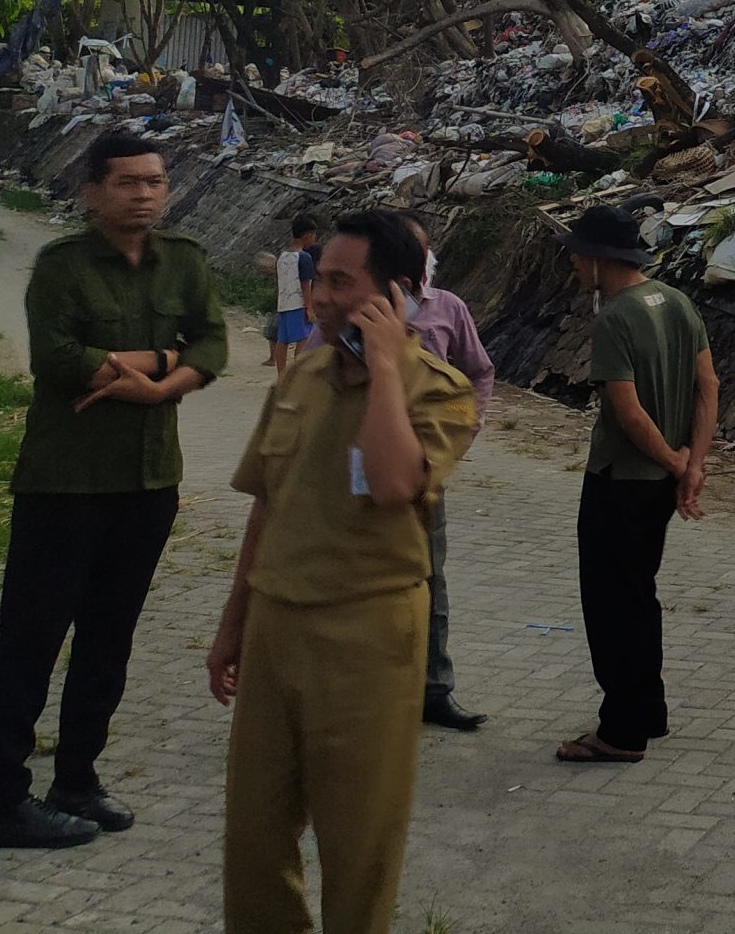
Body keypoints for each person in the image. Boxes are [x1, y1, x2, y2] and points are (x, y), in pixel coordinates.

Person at [207, 208, 477, 934]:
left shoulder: (439, 389)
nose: (319, 298)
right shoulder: (303, 375)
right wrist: (232, 626)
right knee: (255, 835)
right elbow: (267, 504)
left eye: (339, 283)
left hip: (368, 635)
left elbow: (392, 485)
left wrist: (385, 365)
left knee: (358, 840)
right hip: (276, 625)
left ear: (395, 295)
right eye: (318, 279)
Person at [0, 129, 229, 850]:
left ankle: (76, 781)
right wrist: (161, 358)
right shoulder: (62, 266)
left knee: (109, 640)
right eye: (126, 182)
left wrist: (158, 386)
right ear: (91, 191)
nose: (144, 194)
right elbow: (55, 356)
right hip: (65, 484)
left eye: (154, 181)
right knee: (31, 642)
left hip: (148, 481)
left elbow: (213, 342)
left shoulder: (185, 261)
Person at [300, 212, 496, 731]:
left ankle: (433, 688)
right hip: (346, 471)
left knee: (427, 579)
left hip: (417, 470)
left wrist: (462, 432)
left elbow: (477, 372)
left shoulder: (447, 308)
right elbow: (313, 374)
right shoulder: (337, 322)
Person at [554, 206, 717, 766]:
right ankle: (648, 711)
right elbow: (708, 385)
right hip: (657, 489)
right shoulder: (677, 301)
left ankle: (621, 733)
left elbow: (627, 412)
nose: (574, 263)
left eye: (578, 255)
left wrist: (676, 462)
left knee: (611, 608)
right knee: (639, 597)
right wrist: (693, 464)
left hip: (620, 482)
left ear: (601, 259)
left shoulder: (615, 319)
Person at [270, 215, 319, 373]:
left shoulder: (282, 256)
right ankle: (296, 373)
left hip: (283, 304)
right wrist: (309, 308)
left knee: (282, 341)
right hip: (298, 304)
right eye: (313, 235)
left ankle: (282, 375)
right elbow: (306, 285)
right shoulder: (304, 257)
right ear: (307, 235)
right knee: (304, 339)